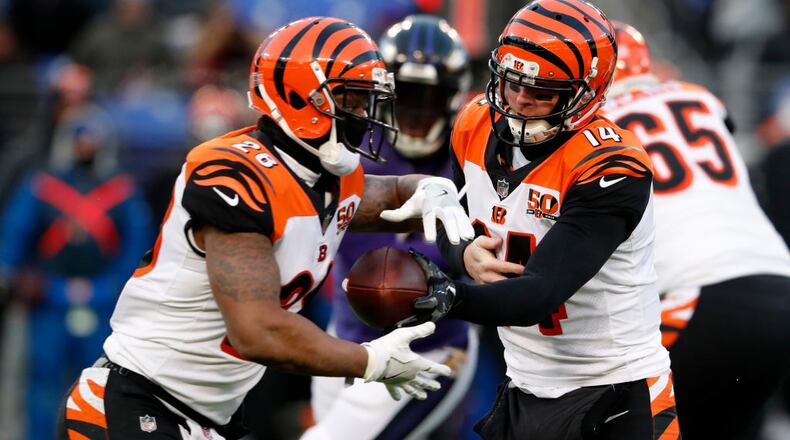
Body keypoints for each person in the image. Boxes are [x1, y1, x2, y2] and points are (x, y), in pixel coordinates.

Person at [57, 16, 476, 440]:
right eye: (351, 100)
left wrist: (431, 189)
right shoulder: (235, 175)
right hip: (138, 402)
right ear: (301, 100)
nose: (365, 116)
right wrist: (369, 360)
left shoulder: (328, 177)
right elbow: (257, 331)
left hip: (207, 418)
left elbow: (388, 196)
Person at [398, 1, 680, 438]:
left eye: (542, 91)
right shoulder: (472, 124)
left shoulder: (610, 165)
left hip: (614, 391)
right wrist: (464, 253)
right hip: (524, 387)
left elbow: (538, 294)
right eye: (512, 84)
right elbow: (459, 226)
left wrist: (450, 297)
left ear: (587, 94)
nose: (521, 102)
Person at [601, 21, 790, 440]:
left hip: (698, 295)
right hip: (779, 284)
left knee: (603, 416)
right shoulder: (699, 97)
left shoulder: (591, 128)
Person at [302, 15, 477, 440]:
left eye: (430, 98)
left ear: (453, 98)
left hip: (429, 345)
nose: (417, 112)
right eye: (407, 97)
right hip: (345, 337)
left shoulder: (476, 159)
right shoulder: (346, 148)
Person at [0, 105, 154, 440]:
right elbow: (14, 236)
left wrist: (114, 288)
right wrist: (14, 276)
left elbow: (137, 250)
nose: (86, 147)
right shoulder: (41, 185)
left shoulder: (122, 191)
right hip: (47, 299)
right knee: (42, 383)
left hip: (104, 302)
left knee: (98, 386)